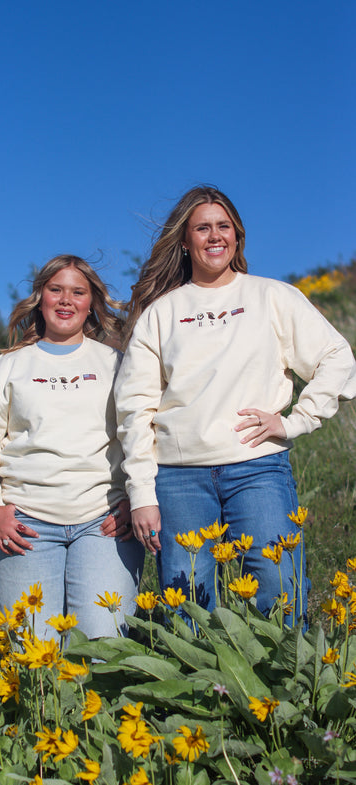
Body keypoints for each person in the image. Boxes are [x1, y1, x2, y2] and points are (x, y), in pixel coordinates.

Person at [115, 186, 356, 621]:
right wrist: (141, 493)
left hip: (258, 468)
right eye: (202, 228)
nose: (214, 236)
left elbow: (337, 357)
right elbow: (134, 411)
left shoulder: (272, 296)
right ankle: (200, 671)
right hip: (178, 477)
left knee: (279, 590)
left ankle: (287, 670)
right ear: (184, 241)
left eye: (223, 226)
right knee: (187, 603)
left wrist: (296, 421)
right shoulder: (161, 313)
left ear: (237, 236)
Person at [0, 254, 144, 640]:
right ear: (40, 297)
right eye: (55, 290)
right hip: (26, 525)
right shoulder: (7, 367)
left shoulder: (116, 364)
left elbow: (139, 435)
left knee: (105, 648)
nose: (66, 300)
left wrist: (134, 498)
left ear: (91, 302)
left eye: (78, 292)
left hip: (104, 522)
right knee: (33, 654)